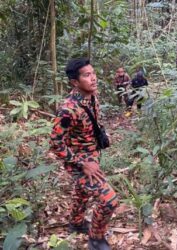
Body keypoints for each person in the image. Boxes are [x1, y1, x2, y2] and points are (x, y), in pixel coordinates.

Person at [50, 58, 118, 250]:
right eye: (87, 75)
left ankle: (76, 223)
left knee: (82, 193)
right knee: (109, 200)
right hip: (79, 162)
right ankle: (96, 239)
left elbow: (94, 121)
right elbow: (55, 143)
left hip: (92, 155)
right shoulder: (67, 110)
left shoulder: (92, 96)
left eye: (93, 73)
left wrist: (102, 135)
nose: (93, 78)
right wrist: (82, 163)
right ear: (74, 82)